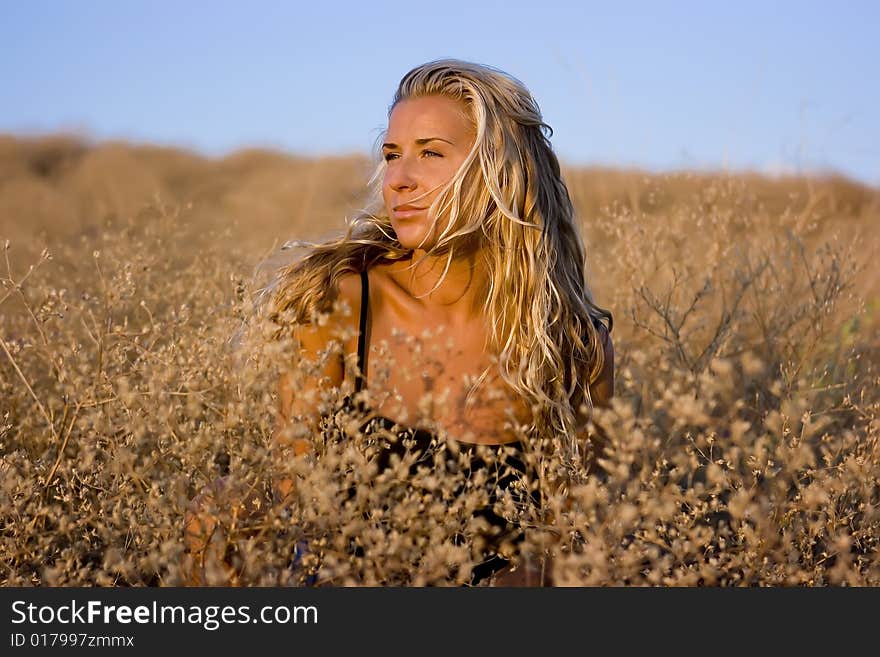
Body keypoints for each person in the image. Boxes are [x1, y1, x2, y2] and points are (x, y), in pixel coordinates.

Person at [185, 58, 614, 587]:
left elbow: (571, 543)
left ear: (499, 169)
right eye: (391, 155)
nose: (398, 179)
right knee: (217, 508)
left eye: (430, 153)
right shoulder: (342, 304)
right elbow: (292, 501)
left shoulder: (570, 346)